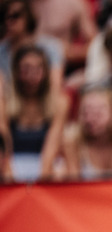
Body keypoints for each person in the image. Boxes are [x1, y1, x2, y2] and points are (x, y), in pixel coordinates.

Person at [7, 43, 67, 180]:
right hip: (11, 163)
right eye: (26, 68)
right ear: (16, 71)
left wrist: (41, 180)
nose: (32, 74)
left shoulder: (59, 103)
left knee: (60, 171)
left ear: (46, 71)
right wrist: (10, 179)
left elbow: (52, 145)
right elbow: (3, 142)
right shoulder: (5, 102)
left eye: (38, 68)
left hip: (44, 163)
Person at [0, 0, 65, 93]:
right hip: (9, 102)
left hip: (43, 101)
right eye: (3, 17)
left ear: (28, 16)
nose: (8, 22)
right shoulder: (0, 51)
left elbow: (55, 87)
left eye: (15, 16)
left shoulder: (51, 47)